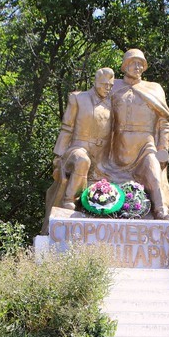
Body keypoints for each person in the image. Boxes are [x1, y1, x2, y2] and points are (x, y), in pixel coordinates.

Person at [41, 68, 115, 233]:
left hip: (102, 156)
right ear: (95, 82)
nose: (107, 88)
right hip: (77, 149)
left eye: (110, 85)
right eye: (104, 84)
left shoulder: (113, 104)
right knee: (82, 161)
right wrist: (58, 156)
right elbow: (67, 128)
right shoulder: (78, 98)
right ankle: (68, 203)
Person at [108, 49, 169, 220]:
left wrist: (163, 147)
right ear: (124, 66)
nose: (137, 67)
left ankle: (161, 210)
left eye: (140, 64)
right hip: (115, 150)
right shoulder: (112, 86)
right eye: (133, 63)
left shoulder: (154, 89)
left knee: (153, 172)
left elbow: (163, 121)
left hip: (145, 145)